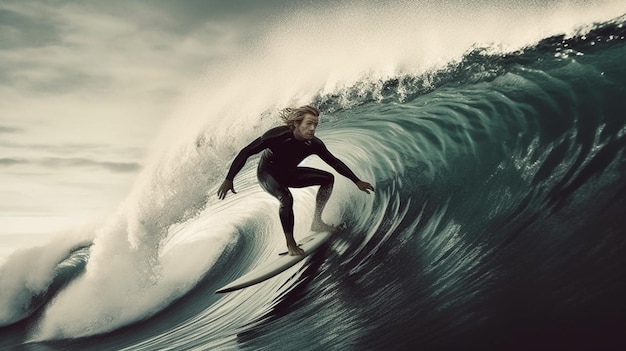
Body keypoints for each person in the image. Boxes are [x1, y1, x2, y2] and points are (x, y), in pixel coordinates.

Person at [217, 105, 374, 256]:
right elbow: (246, 151)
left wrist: (357, 181)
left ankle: (317, 222)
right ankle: (290, 244)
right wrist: (229, 179)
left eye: (315, 124)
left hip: (289, 173)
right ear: (297, 124)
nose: (313, 128)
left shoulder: (314, 144)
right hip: (268, 174)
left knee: (327, 179)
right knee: (286, 198)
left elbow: (334, 162)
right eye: (309, 124)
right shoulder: (277, 136)